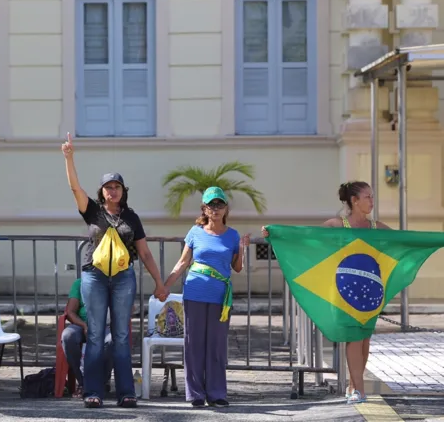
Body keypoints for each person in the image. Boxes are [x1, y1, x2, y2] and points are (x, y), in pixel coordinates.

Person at [61, 134, 168, 409]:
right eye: (108, 187)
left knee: (121, 334)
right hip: (94, 276)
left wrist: (159, 283)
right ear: (101, 192)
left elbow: (144, 253)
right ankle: (92, 391)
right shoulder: (92, 211)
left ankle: (126, 393)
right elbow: (74, 188)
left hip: (123, 278)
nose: (112, 191)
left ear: (123, 190)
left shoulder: (131, 217)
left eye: (116, 186)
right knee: (95, 333)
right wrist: (69, 157)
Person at [262, 181, 388, 406]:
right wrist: (277, 233)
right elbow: (308, 236)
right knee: (353, 337)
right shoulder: (339, 225)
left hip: (370, 293)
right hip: (345, 290)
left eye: (372, 196)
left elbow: (407, 239)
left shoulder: (376, 227)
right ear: (354, 201)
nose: (372, 201)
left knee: (365, 339)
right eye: (367, 197)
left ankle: (353, 385)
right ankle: (358, 389)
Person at [163, 187, 250, 408]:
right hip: (195, 292)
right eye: (212, 205)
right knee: (193, 344)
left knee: (217, 345)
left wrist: (242, 249)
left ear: (226, 208)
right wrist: (164, 286)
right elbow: (183, 262)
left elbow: (237, 267)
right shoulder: (195, 232)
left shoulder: (232, 235)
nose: (216, 209)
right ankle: (195, 395)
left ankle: (217, 393)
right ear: (204, 208)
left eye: (220, 204)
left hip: (220, 296)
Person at [62, 277, 114, 397]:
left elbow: (126, 310)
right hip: (82, 324)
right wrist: (84, 325)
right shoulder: (79, 283)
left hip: (106, 325)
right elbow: (70, 312)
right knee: (67, 336)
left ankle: (101, 382)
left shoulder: (115, 282)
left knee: (112, 340)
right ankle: (83, 382)